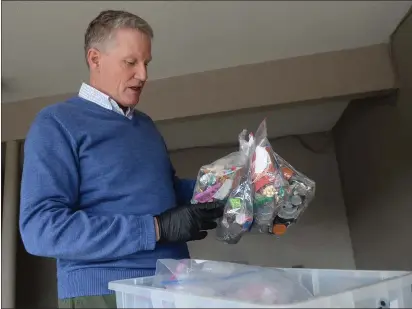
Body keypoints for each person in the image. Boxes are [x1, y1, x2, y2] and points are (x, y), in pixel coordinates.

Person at [19, 10, 224, 309]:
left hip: (176, 285)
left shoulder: (145, 126)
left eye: (146, 63)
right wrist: (155, 229)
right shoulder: (56, 123)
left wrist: (230, 188)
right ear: (95, 58)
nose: (143, 75)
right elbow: (41, 229)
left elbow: (167, 192)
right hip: (106, 292)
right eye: (131, 62)